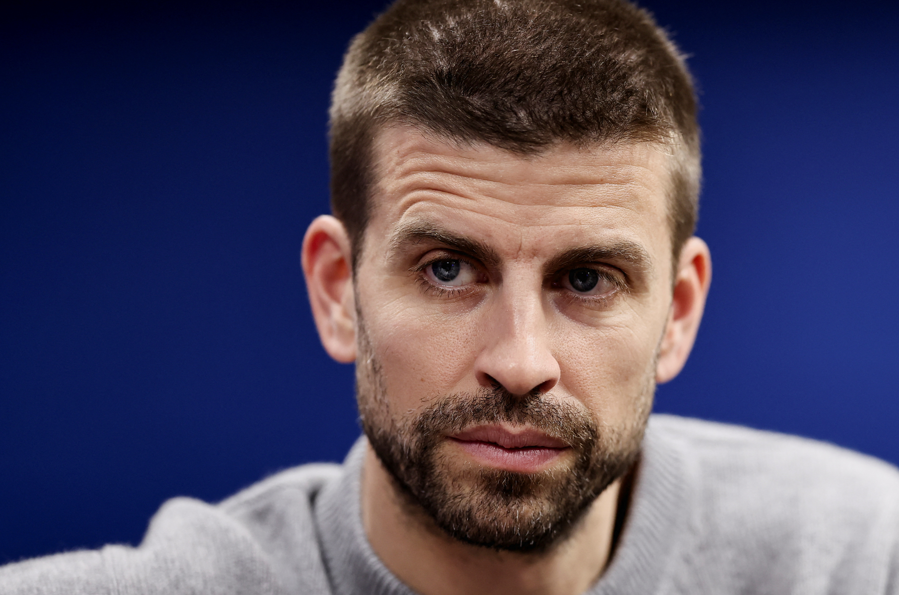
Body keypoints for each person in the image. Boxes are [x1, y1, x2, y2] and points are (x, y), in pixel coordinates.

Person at [2, 0, 898, 593]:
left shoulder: (857, 556)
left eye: (585, 280)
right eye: (446, 269)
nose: (518, 363)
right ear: (336, 291)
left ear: (677, 311)